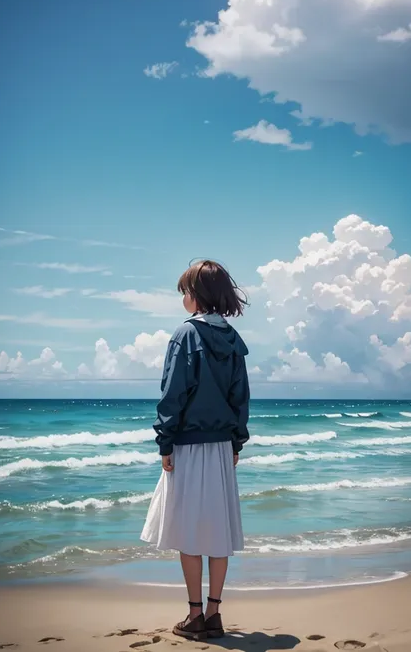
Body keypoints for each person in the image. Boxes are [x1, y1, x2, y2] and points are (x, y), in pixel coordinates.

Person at [141, 259, 250, 641]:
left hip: (188, 445)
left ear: (196, 296)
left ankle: (194, 616)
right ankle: (215, 613)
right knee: (217, 532)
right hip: (221, 447)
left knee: (190, 533)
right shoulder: (234, 339)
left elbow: (173, 395)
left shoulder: (185, 335)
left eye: (186, 291)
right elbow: (241, 399)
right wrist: (236, 442)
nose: (183, 298)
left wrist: (164, 443)